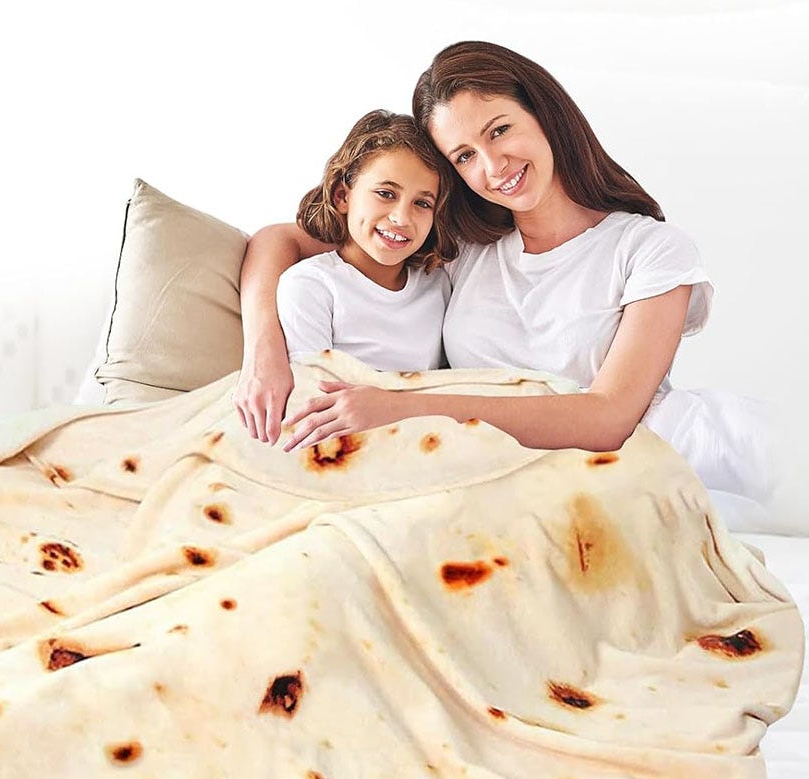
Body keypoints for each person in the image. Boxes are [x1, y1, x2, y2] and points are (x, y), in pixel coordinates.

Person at [234, 41, 715, 464]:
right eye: (463, 156)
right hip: (467, 473)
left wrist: (400, 405)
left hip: (608, 474)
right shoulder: (462, 247)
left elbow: (608, 418)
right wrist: (262, 353)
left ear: (544, 113)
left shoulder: (650, 250)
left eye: (499, 130)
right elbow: (280, 240)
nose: (492, 165)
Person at [275, 109, 455, 377]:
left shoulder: (436, 285)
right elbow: (310, 389)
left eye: (422, 203)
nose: (401, 218)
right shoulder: (311, 285)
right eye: (385, 193)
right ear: (341, 196)